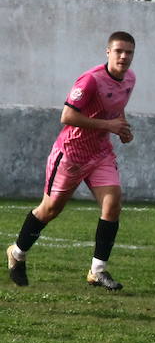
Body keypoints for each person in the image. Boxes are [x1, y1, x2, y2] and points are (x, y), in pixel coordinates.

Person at [7, 31, 137, 291]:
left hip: (100, 154)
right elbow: (67, 116)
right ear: (108, 52)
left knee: (113, 204)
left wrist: (121, 128)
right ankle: (17, 253)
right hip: (71, 153)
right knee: (50, 209)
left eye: (129, 52)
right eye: (119, 51)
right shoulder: (90, 80)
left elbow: (117, 108)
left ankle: (97, 271)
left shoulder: (130, 79)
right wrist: (108, 124)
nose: (124, 56)